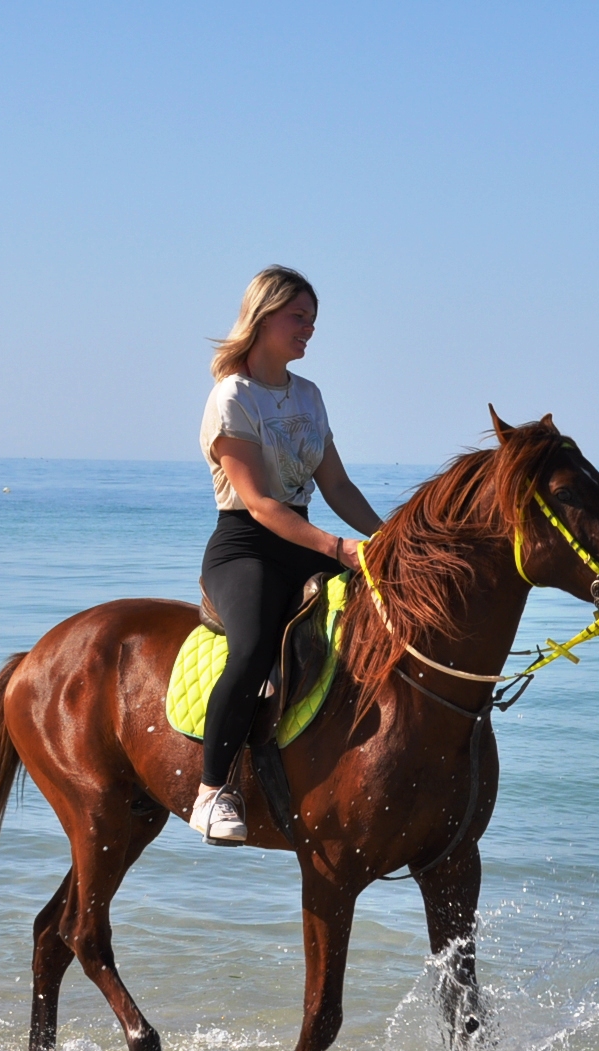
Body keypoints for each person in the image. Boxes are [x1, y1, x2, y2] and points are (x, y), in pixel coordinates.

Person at [190, 266, 383, 844]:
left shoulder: (309, 395)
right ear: (264, 316)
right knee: (251, 650)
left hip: (301, 538)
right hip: (245, 547)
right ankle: (212, 790)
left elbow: (338, 488)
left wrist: (393, 540)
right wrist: (337, 547)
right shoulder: (232, 398)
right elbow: (257, 503)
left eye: (313, 320)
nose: (309, 329)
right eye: (299, 317)